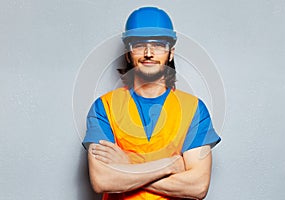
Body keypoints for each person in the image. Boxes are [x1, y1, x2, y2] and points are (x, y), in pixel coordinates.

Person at [82, 6, 221, 200]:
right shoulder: (104, 107)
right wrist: (170, 166)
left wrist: (128, 165)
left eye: (158, 44)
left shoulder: (194, 109)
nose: (148, 52)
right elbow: (102, 180)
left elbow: (197, 186)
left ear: (170, 53)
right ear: (128, 54)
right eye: (139, 45)